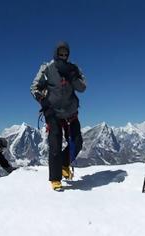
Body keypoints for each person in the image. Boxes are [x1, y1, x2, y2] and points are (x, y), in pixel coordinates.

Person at [30, 41, 86, 191]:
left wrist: (72, 76)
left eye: (65, 54)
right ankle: (55, 179)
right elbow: (34, 87)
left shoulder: (74, 69)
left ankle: (64, 164)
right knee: (55, 145)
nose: (63, 56)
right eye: (60, 54)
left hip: (71, 113)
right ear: (56, 53)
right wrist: (43, 102)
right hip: (53, 113)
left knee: (77, 142)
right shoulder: (47, 68)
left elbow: (82, 88)